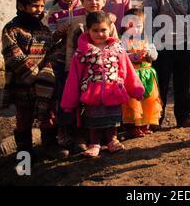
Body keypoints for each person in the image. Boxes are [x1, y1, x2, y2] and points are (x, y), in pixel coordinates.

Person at [61, 11, 145, 157]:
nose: (100, 34)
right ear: (88, 30)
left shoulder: (117, 49)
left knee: (112, 119)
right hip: (91, 94)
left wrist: (136, 90)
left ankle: (112, 140)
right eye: (95, 30)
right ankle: (94, 144)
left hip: (114, 91)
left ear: (110, 29)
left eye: (103, 30)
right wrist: (69, 102)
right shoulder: (82, 53)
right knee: (93, 119)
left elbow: (127, 70)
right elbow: (74, 78)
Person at [0, 0, 64, 161]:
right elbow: (13, 55)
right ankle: (25, 157)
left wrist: (57, 39)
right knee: (24, 118)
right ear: (21, 6)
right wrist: (34, 76)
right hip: (22, 83)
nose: (40, 10)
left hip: (43, 84)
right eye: (35, 6)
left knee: (48, 114)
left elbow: (48, 50)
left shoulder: (42, 28)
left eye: (42, 6)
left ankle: (49, 147)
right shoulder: (12, 29)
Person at [143, 0, 190, 128]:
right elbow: (148, 19)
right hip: (162, 47)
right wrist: (149, 44)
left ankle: (184, 117)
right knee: (161, 84)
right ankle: (156, 118)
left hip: (183, 46)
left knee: (183, 84)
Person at [47, 0, 85, 155]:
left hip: (83, 60)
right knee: (64, 96)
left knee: (83, 95)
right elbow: (48, 39)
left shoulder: (85, 8)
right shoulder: (54, 13)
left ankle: (82, 134)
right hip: (61, 62)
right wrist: (57, 33)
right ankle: (64, 133)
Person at [120, 8, 163, 137]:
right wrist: (133, 57)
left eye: (139, 26)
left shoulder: (146, 40)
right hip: (132, 76)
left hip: (147, 74)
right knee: (133, 102)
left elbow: (155, 55)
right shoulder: (122, 41)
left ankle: (145, 125)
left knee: (148, 101)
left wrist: (148, 52)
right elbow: (121, 57)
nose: (135, 29)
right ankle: (133, 127)